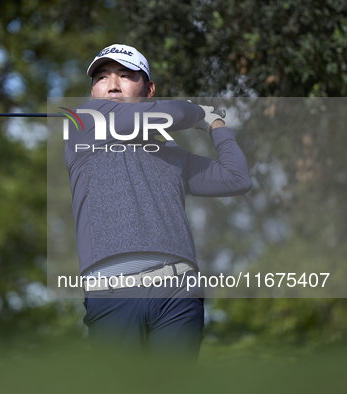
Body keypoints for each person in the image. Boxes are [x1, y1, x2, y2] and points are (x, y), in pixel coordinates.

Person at [64, 44, 252, 358]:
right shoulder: (85, 122)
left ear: (148, 89)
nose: (112, 84)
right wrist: (199, 113)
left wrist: (216, 125)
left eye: (125, 76)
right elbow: (175, 113)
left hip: (179, 291)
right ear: (93, 91)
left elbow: (236, 178)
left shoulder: (172, 156)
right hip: (112, 293)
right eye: (101, 78)